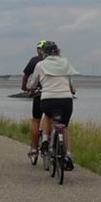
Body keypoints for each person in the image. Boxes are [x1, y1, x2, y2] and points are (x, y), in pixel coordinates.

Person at [29, 40, 78, 169]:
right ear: (58, 51)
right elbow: (72, 85)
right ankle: (67, 154)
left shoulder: (40, 65)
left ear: (44, 53)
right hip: (66, 101)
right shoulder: (66, 63)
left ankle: (45, 139)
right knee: (65, 127)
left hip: (48, 100)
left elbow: (33, 83)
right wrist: (72, 90)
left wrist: (31, 89)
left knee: (48, 116)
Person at [20, 40, 48, 158]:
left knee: (36, 120)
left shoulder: (35, 60)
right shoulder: (58, 61)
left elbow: (26, 75)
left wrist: (24, 88)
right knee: (50, 116)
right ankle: (49, 139)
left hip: (40, 94)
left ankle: (34, 148)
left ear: (38, 50)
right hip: (58, 94)